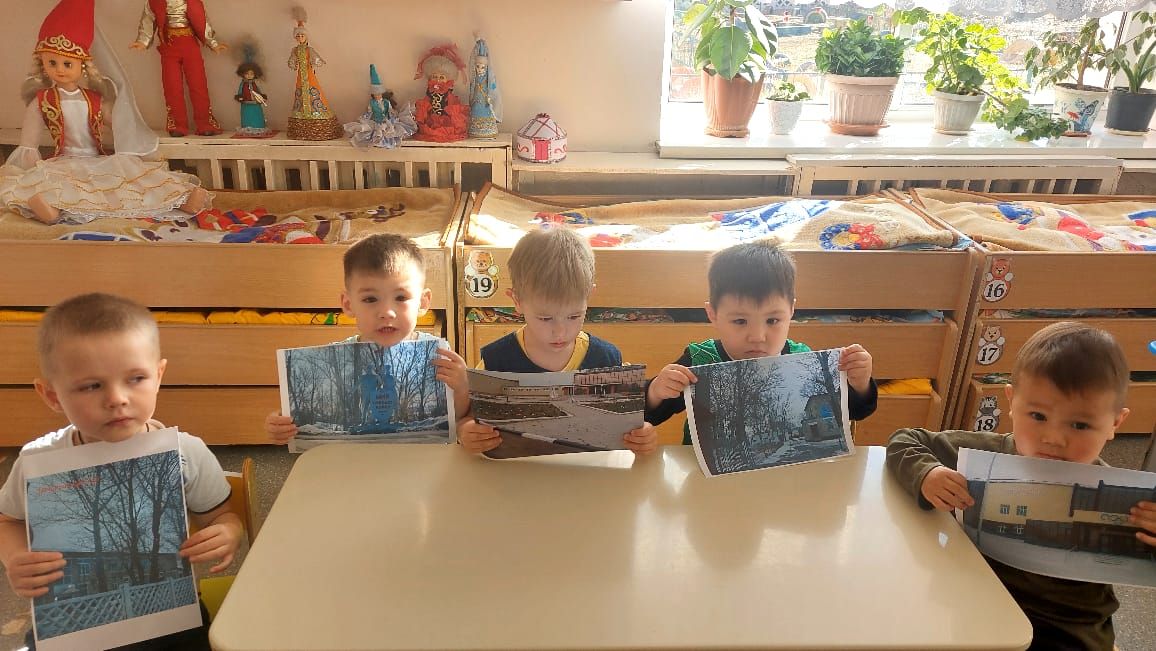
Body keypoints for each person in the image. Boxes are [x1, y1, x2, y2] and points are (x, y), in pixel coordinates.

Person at [887, 321, 1155, 650]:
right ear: (1012, 402)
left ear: (1115, 423)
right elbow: (904, 440)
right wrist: (928, 473)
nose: (1053, 438)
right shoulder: (987, 454)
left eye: (1080, 424)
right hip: (978, 603)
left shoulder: (1125, 497)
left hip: (1070, 628)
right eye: (1038, 416)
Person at [0, 293, 241, 650]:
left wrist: (228, 531)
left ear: (158, 375)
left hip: (171, 623)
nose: (117, 398)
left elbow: (222, 514)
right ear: (51, 395)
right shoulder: (37, 461)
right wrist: (15, 559)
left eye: (136, 378)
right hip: (71, 628)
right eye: (92, 385)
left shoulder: (185, 452)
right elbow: (7, 521)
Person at [644, 240, 877, 443]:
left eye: (772, 320)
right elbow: (650, 414)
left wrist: (860, 385)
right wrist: (656, 391)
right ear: (712, 314)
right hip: (704, 476)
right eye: (740, 321)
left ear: (791, 310)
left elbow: (852, 411)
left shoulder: (802, 359)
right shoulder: (699, 360)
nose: (757, 336)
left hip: (784, 475)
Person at [1, 0, 209, 225]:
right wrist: (28, 171)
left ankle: (180, 199)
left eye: (67, 64)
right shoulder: (42, 100)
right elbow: (29, 145)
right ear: (43, 64)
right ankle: (50, 209)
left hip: (97, 159)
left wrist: (131, 148)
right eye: (52, 63)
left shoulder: (95, 99)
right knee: (60, 184)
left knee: (127, 182)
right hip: (63, 161)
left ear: (83, 65)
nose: (60, 69)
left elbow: (120, 124)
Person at [458, 228, 658, 456]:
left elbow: (629, 425)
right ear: (517, 301)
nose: (560, 332)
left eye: (574, 316)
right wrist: (466, 432)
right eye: (545, 318)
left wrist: (641, 435)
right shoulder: (496, 360)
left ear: (589, 297)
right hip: (515, 474)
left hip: (590, 473)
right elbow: (468, 419)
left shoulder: (607, 359)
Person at [266, 234, 470, 443]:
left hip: (422, 459)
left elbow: (456, 419)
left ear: (423, 302)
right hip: (354, 460)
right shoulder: (336, 358)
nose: (386, 312)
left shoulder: (438, 355)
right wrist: (282, 424)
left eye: (401, 297)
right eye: (370, 299)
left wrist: (462, 387)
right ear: (348, 305)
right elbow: (299, 415)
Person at [130, 0, 227, 137]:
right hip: (169, 46)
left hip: (190, 45)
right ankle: (177, 125)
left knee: (198, 84)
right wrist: (142, 41)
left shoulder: (193, 2)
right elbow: (148, 21)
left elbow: (203, 22)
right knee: (172, 87)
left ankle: (205, 123)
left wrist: (213, 43)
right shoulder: (154, 2)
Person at [285, 7, 343, 141]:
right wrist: (293, 63)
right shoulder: (295, 50)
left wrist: (315, 61)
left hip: (309, 74)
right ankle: (303, 118)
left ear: (306, 36)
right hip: (301, 76)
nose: (300, 38)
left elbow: (316, 58)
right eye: (298, 36)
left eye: (302, 35)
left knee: (314, 91)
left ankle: (318, 114)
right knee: (300, 93)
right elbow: (292, 60)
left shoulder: (309, 49)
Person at [344, 64, 418, 150]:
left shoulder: (386, 102)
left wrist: (393, 117)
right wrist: (365, 119)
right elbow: (369, 112)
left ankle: (388, 142)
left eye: (379, 94)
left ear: (382, 94)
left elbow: (390, 110)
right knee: (371, 131)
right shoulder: (372, 103)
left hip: (385, 121)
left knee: (388, 130)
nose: (377, 96)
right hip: (376, 121)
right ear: (373, 95)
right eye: (375, 95)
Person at [412, 44, 470, 143]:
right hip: (431, 121)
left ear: (448, 80)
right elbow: (425, 105)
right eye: (435, 77)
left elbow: (452, 107)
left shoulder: (449, 95)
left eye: (441, 77)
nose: (438, 80)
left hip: (446, 122)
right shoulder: (429, 93)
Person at [467, 37, 502, 139]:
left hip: (486, 102)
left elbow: (493, 89)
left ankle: (487, 130)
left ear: (486, 68)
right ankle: (476, 130)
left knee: (486, 112)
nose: (480, 69)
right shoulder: (475, 78)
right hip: (477, 101)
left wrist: (490, 98)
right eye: (477, 66)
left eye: (482, 67)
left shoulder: (489, 79)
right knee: (476, 111)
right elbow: (472, 89)